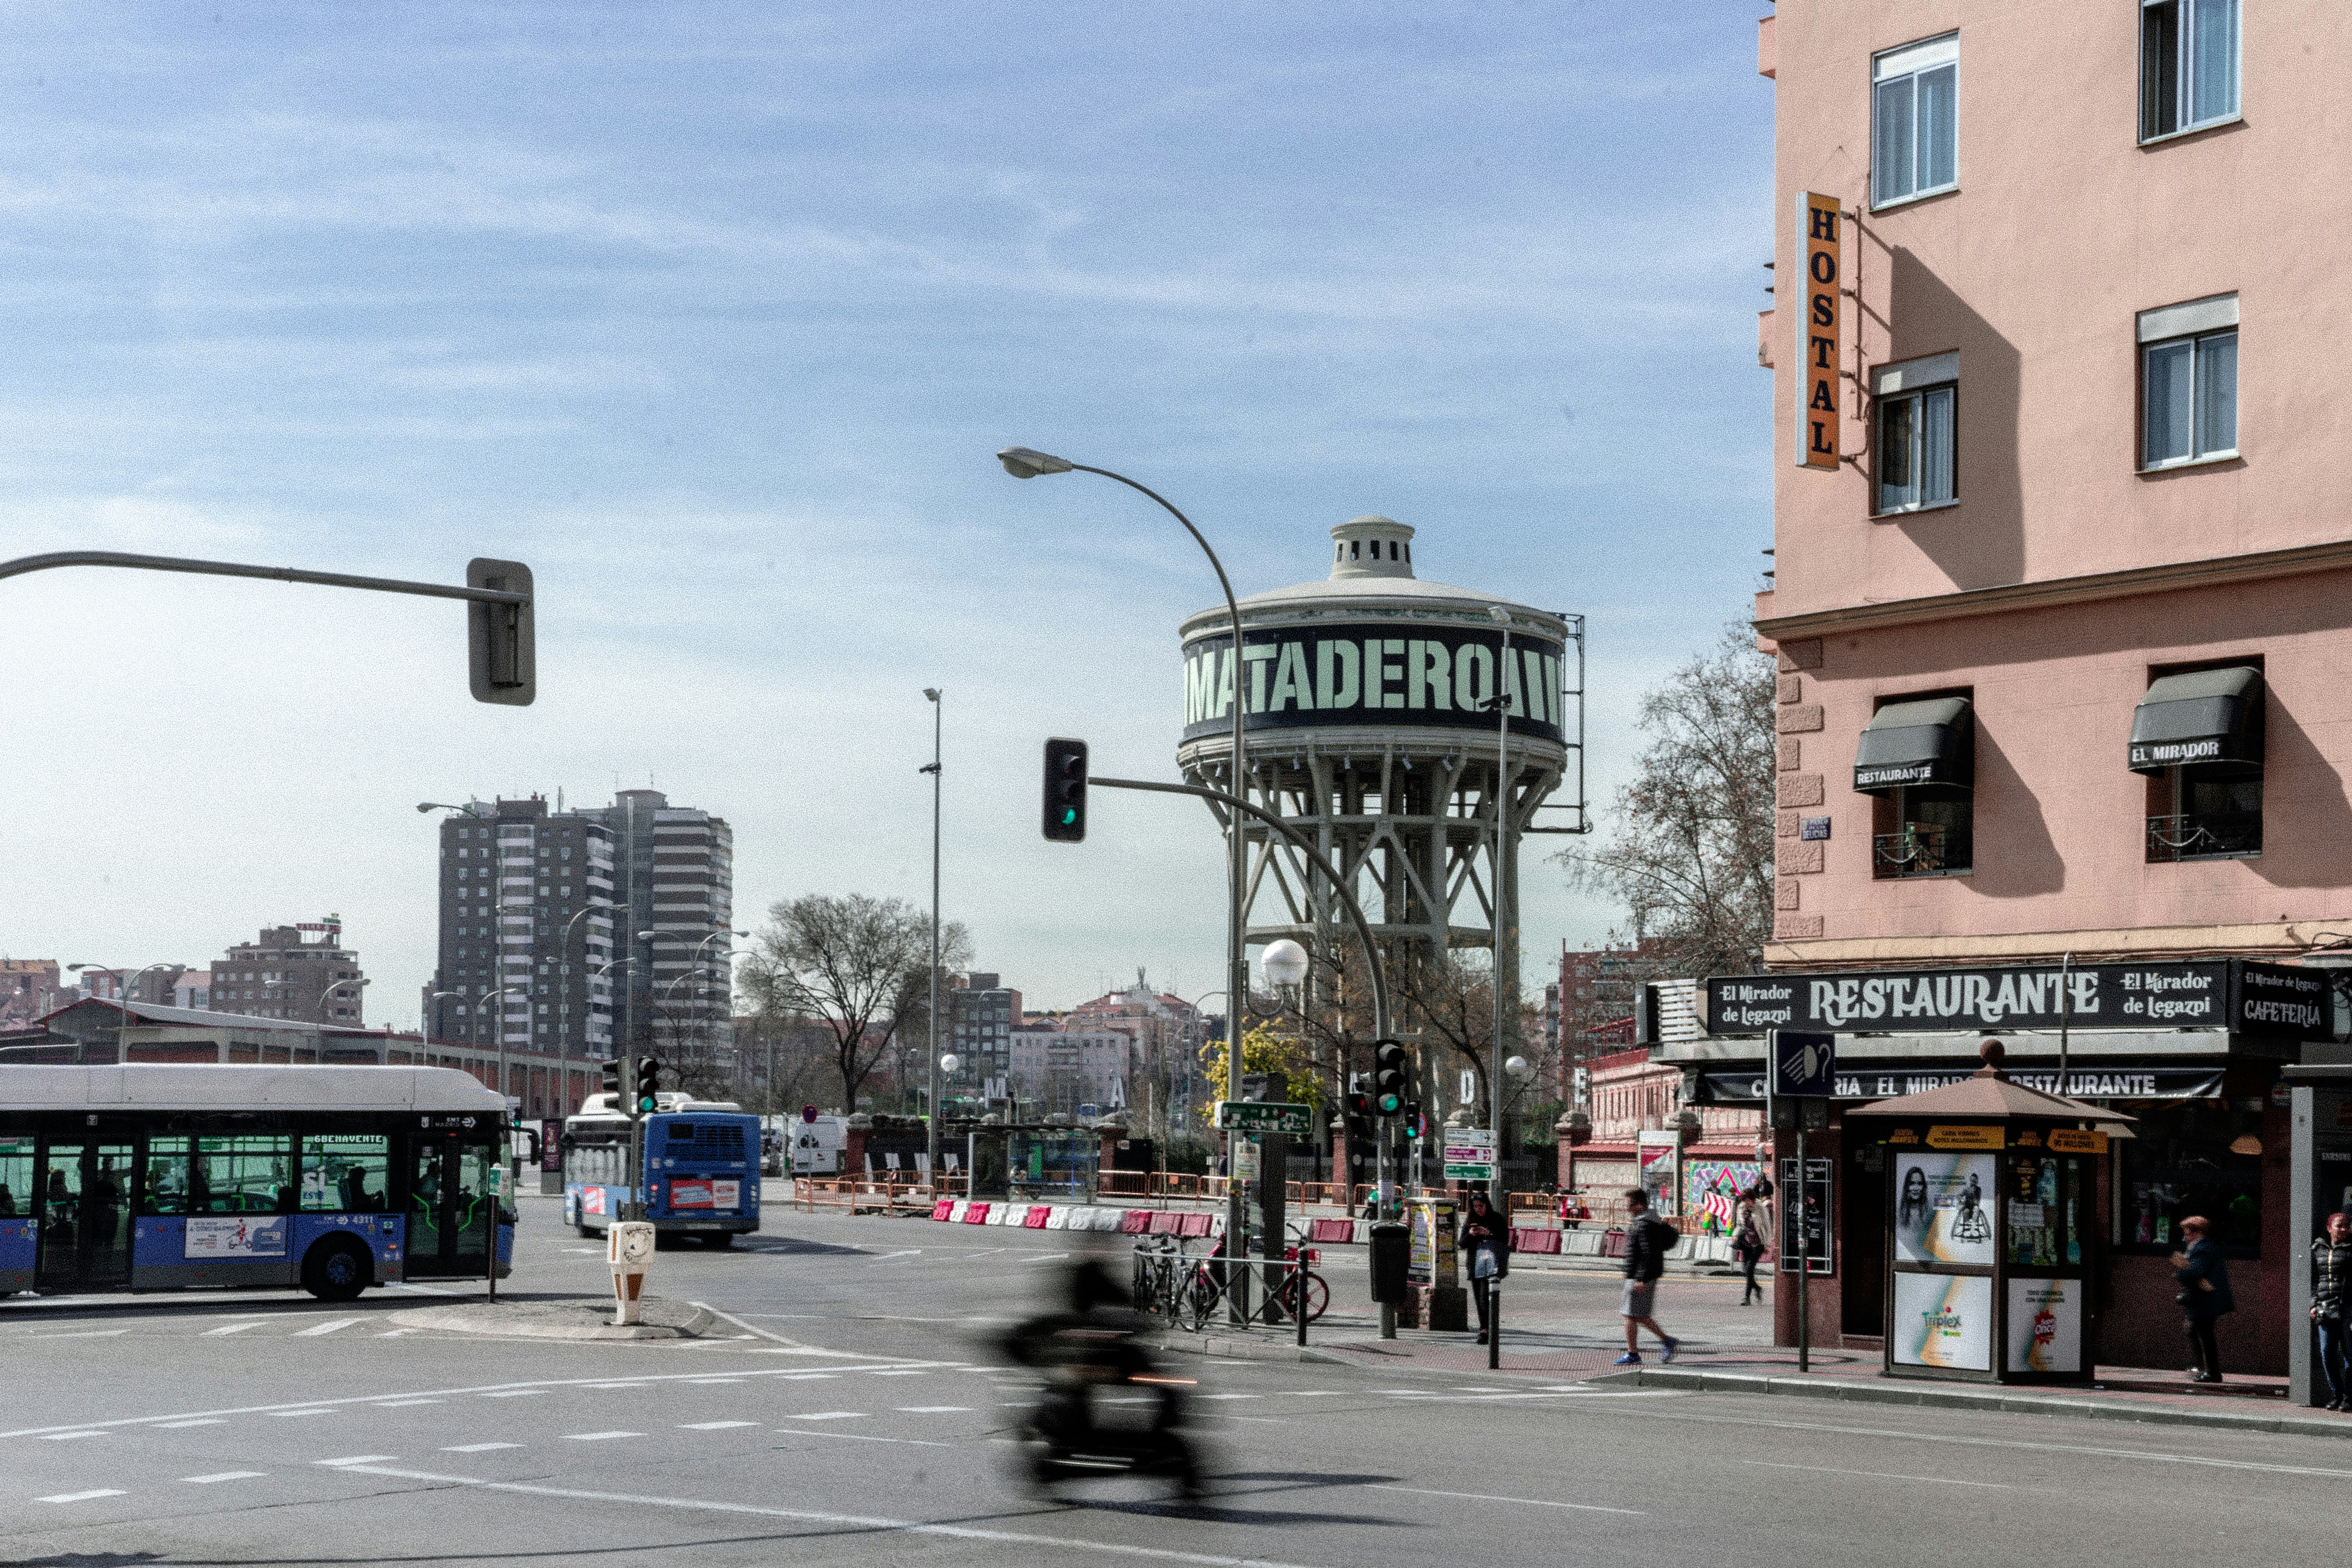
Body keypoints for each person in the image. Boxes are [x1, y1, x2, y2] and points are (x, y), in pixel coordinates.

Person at [1614, 1188, 1679, 1365]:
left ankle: (1635, 1353)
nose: (1627, 1209)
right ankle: (1664, 1342)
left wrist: (1641, 1278)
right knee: (1638, 1315)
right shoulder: (1648, 1221)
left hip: (1640, 1276)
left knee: (1630, 1315)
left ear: (1640, 1205)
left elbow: (1647, 1253)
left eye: (1630, 1205)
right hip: (1641, 1274)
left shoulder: (1644, 1224)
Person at [2171, 1214, 2236, 1383]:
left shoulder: (2202, 1248)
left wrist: (2180, 1271)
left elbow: (2195, 1271)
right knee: (2194, 1330)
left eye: (2188, 1233)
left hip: (2205, 1300)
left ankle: (2211, 1372)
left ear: (2198, 1233)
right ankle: (2204, 1368)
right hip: (2204, 1299)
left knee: (2204, 1335)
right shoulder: (2203, 1247)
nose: (2185, 1237)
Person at [1458, 1192, 1512, 1345]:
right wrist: (1471, 1234)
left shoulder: (1496, 1219)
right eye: (1475, 1207)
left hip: (1491, 1265)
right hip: (1475, 1265)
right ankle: (1484, 1328)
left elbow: (1504, 1239)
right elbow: (1462, 1243)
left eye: (1481, 1206)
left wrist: (1488, 1233)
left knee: (1485, 1298)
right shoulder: (1470, 1221)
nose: (1478, 1209)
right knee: (1478, 1299)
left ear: (1487, 1205)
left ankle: (1487, 1330)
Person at [2311, 1211, 2352, 1410]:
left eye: (2347, 1226)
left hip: (2347, 1309)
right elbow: (2313, 1279)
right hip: (2325, 1309)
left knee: (2350, 1355)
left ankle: (2349, 1398)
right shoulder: (2318, 1249)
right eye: (2340, 1226)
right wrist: (2313, 1304)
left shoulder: (2351, 1250)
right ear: (2329, 1228)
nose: (2344, 1229)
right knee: (2327, 1353)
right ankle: (2338, 1394)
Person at [1733, 1192, 1768, 1306]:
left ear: (1752, 1199)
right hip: (1746, 1242)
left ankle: (1747, 1298)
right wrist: (1735, 1235)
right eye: (1744, 1201)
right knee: (1746, 1270)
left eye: (1748, 1201)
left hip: (1758, 1243)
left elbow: (1767, 1226)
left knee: (1749, 1269)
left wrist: (1767, 1244)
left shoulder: (1760, 1208)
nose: (1746, 1203)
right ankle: (1757, 1288)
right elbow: (1739, 1224)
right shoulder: (1742, 1208)